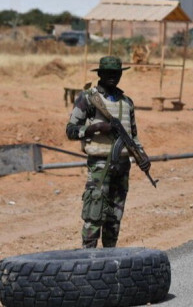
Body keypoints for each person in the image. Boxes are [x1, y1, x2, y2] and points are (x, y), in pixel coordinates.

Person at [66, 56, 150, 248]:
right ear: (100, 74)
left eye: (117, 73)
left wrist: (142, 157)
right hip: (99, 166)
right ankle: (88, 257)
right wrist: (95, 128)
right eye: (108, 73)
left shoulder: (127, 102)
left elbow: (133, 136)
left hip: (122, 166)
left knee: (114, 217)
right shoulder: (88, 98)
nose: (113, 77)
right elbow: (70, 130)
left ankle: (109, 257)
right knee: (94, 213)